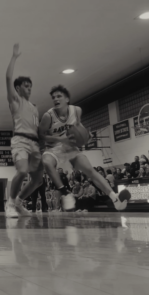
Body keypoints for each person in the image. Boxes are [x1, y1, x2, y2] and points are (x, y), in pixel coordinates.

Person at [21, 83, 127, 214]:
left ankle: (115, 198)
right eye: (53, 97)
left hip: (69, 147)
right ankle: (65, 193)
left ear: (67, 99)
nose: (55, 99)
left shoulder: (76, 111)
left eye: (59, 96)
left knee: (89, 170)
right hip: (53, 147)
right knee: (40, 174)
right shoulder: (48, 116)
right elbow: (41, 135)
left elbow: (78, 127)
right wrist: (60, 139)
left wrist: (85, 137)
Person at [3, 43, 77, 218]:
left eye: (30, 86)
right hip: (20, 140)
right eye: (26, 86)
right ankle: (10, 203)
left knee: (37, 180)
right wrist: (14, 57)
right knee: (22, 171)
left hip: (35, 144)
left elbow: (40, 133)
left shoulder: (35, 108)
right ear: (18, 88)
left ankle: (19, 202)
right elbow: (7, 78)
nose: (29, 88)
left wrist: (58, 140)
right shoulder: (15, 101)